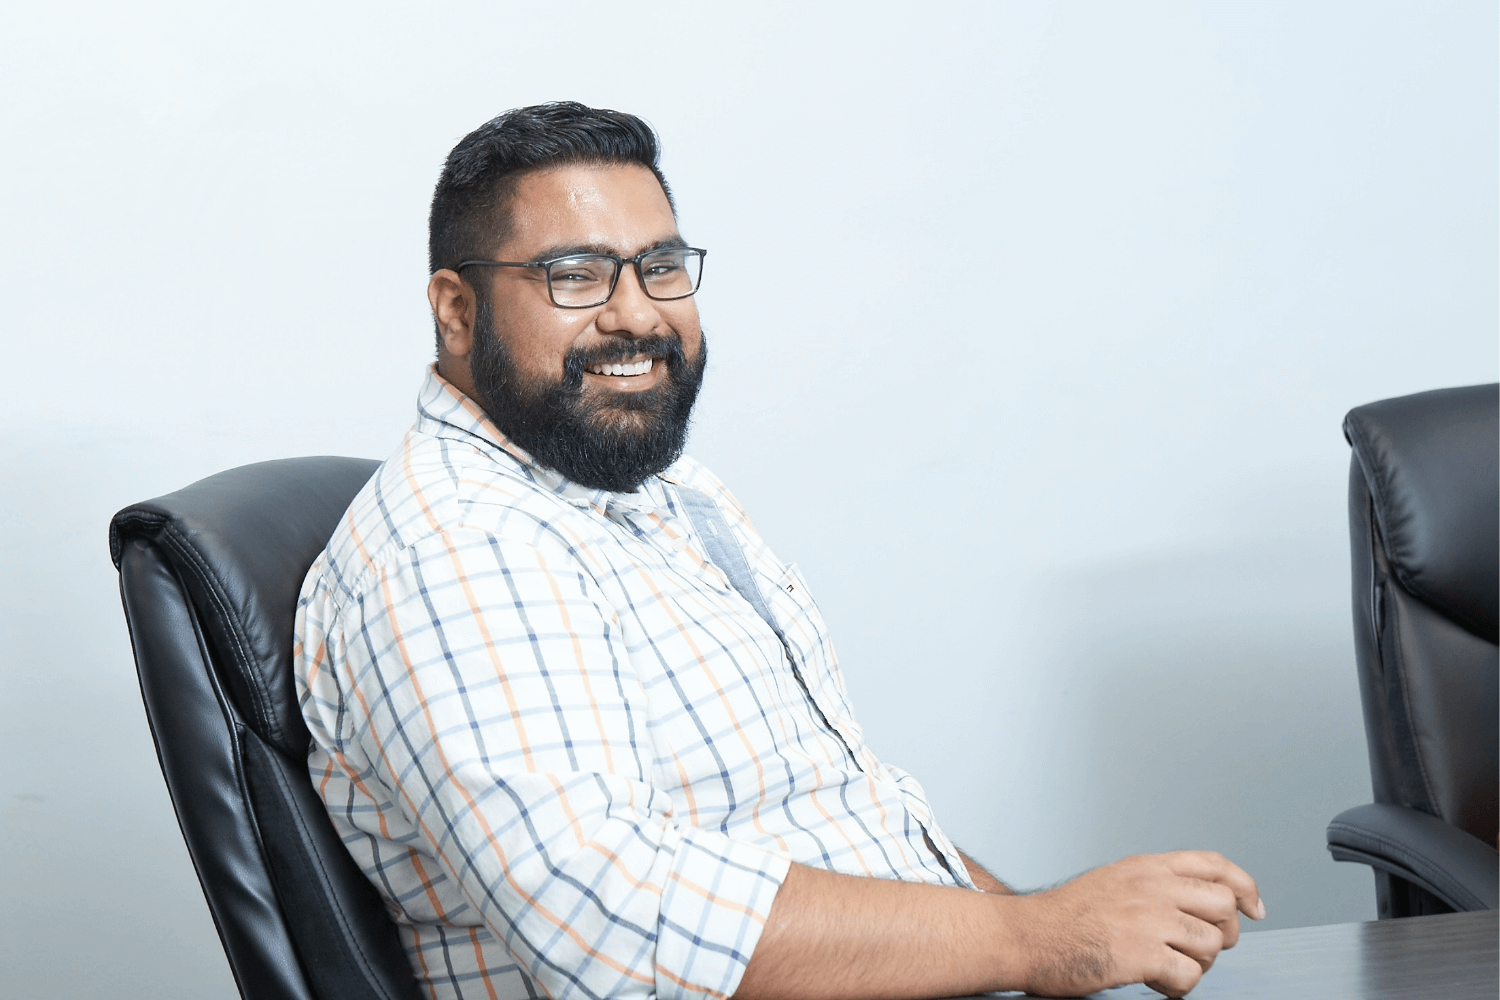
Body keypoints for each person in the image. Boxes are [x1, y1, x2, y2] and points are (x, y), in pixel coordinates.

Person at [294, 102, 1263, 1000]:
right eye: (576, 275)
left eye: (661, 267)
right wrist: (1038, 938)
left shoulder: (662, 494)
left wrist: (1042, 943)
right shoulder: (459, 547)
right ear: (457, 310)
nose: (637, 313)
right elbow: (608, 919)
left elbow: (836, 821)